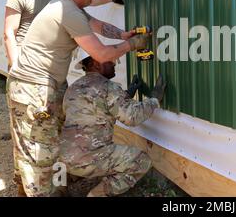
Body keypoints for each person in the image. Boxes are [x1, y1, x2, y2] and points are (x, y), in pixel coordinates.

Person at [6, 0, 149, 197]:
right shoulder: (67, 11)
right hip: (33, 89)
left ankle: (40, 189)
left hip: (40, 86)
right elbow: (102, 54)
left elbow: (98, 25)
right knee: (40, 154)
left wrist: (124, 34)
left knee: (41, 147)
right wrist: (133, 44)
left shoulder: (67, 6)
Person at [59, 51, 165, 197]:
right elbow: (132, 117)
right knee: (141, 161)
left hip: (64, 157)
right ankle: (96, 195)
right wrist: (154, 100)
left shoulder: (73, 88)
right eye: (110, 60)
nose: (114, 63)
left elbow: (97, 107)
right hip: (88, 159)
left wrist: (127, 94)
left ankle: (75, 186)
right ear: (96, 63)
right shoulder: (108, 86)